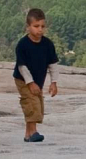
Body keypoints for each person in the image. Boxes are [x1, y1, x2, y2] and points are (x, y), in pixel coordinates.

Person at [12, 8, 60, 143]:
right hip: (23, 79)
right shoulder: (22, 45)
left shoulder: (48, 44)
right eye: (36, 26)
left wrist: (54, 82)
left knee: (37, 102)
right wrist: (30, 83)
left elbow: (53, 64)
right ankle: (33, 132)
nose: (40, 30)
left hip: (38, 80)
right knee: (31, 102)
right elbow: (22, 66)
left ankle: (27, 134)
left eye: (42, 26)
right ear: (28, 27)